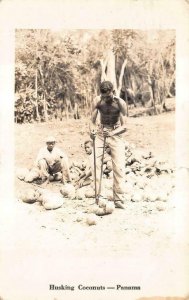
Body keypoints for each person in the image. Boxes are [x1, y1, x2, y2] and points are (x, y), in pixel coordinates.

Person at [90, 81, 127, 209]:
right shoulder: (97, 101)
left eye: (108, 96)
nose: (106, 99)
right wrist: (92, 130)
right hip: (101, 133)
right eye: (104, 97)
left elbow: (125, 126)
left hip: (116, 133)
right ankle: (98, 197)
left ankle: (119, 199)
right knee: (95, 164)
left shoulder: (120, 103)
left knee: (119, 167)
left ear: (113, 92)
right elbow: (92, 121)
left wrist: (111, 133)